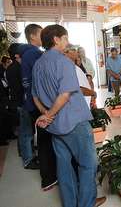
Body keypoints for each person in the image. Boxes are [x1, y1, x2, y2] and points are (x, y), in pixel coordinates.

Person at [32, 24, 105, 207]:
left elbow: (34, 96)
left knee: (64, 167)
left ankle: (70, 203)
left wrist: (46, 115)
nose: (67, 42)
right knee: (88, 164)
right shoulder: (64, 62)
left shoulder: (38, 64)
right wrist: (49, 114)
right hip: (74, 122)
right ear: (56, 39)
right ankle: (87, 203)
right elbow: (65, 94)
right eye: (65, 38)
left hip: (55, 126)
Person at [20, 24, 58, 186]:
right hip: (38, 104)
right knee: (45, 140)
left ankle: (49, 175)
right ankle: (49, 177)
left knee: (43, 139)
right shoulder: (33, 53)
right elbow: (37, 82)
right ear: (33, 37)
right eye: (41, 34)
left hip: (34, 102)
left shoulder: (28, 53)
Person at [64, 45, 96, 109]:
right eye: (74, 50)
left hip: (85, 102)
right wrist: (93, 93)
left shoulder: (75, 67)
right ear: (67, 53)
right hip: (80, 104)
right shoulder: (69, 68)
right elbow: (78, 89)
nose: (76, 52)